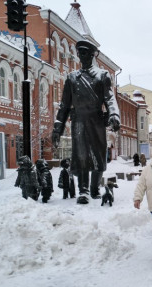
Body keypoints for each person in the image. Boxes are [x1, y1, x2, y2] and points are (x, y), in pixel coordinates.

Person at [51, 39, 121, 205]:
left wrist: (114, 116)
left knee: (98, 158)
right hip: (79, 121)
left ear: (92, 55)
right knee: (81, 155)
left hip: (96, 120)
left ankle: (95, 188)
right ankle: (83, 191)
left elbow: (110, 98)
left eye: (86, 53)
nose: (83, 56)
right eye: (80, 53)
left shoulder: (102, 76)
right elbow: (64, 106)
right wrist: (57, 129)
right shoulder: (72, 78)